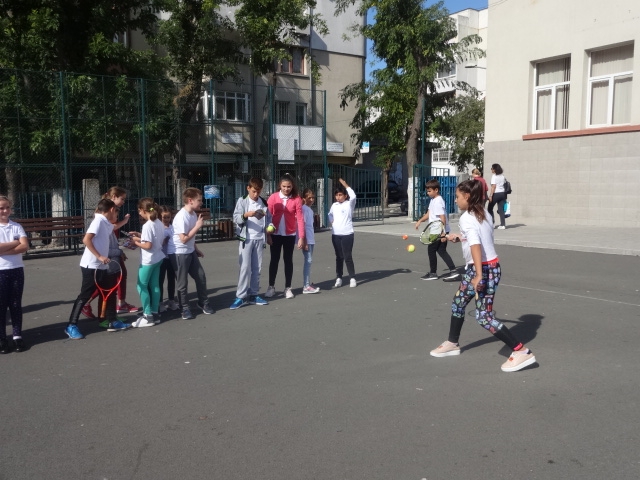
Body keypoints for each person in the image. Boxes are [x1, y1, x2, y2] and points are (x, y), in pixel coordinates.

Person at [429, 179, 537, 372]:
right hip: (483, 268)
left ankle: (521, 351)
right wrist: (459, 237)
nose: (455, 200)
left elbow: (476, 245)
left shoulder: (466, 218)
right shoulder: (484, 212)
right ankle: (452, 343)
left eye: (457, 197)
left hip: (484, 270)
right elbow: (478, 237)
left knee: (484, 317)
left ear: (467, 196)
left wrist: (479, 275)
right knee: (458, 303)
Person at [65, 199, 132, 339]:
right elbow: (86, 240)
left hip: (102, 266)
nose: (116, 216)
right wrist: (100, 256)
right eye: (116, 213)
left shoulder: (105, 222)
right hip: (91, 265)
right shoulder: (98, 221)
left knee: (110, 291)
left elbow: (114, 227)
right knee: (85, 295)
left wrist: (125, 221)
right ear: (112, 209)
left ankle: (111, 320)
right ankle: (71, 325)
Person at [81, 186, 138, 318]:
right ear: (113, 197)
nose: (123, 202)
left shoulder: (110, 214)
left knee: (115, 278)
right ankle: (95, 306)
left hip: (111, 250)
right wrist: (124, 221)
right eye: (122, 199)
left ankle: (116, 306)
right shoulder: (104, 216)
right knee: (109, 281)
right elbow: (110, 229)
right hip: (107, 253)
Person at [171, 187, 213, 319]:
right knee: (182, 283)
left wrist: (195, 249)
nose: (201, 203)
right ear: (190, 200)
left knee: (201, 276)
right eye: (199, 200)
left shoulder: (193, 214)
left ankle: (203, 302)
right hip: (179, 252)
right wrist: (197, 226)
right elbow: (183, 239)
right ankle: (184, 308)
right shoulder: (181, 216)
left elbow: (190, 237)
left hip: (190, 251)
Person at [230, 178, 271, 309]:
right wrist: (245, 215)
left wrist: (270, 228)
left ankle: (254, 294)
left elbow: (269, 220)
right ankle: (240, 296)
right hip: (246, 239)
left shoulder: (263, 202)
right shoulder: (242, 200)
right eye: (253, 191)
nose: (256, 194)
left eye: (258, 191)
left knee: (257, 268)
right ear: (248, 188)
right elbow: (235, 218)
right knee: (244, 268)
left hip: (259, 238)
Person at [265, 174, 305, 299]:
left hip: (289, 234)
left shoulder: (296, 199)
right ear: (280, 186)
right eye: (284, 186)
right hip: (275, 234)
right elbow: (268, 217)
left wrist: (301, 237)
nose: (286, 189)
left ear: (292, 186)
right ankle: (271, 287)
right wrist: (268, 235)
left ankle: (288, 288)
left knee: (288, 260)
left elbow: (300, 218)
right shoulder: (273, 197)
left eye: (289, 186)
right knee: (274, 260)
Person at [414, 179, 460, 282]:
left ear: (436, 190)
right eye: (427, 191)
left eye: (429, 191)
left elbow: (442, 218)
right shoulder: (433, 200)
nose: (428, 193)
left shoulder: (438, 201)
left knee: (431, 250)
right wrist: (420, 221)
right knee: (441, 251)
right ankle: (454, 271)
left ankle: (433, 273)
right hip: (436, 230)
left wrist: (443, 233)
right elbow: (428, 214)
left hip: (438, 231)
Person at [0, 195, 30, 353]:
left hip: (16, 269)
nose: (5, 211)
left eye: (7, 207)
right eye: (1, 208)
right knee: (1, 305)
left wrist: (5, 250)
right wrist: (15, 242)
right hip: (1, 270)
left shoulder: (16, 226)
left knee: (16, 304)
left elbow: (25, 246)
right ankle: (2, 338)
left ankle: (17, 336)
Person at [129, 198, 165, 327]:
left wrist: (135, 242)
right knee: (155, 285)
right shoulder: (159, 222)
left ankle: (147, 315)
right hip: (158, 257)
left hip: (148, 260)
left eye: (139, 211)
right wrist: (140, 236)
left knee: (141, 286)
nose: (139, 214)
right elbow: (154, 240)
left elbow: (148, 245)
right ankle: (154, 313)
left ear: (143, 210)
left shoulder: (147, 225)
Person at [329, 178, 357, 288]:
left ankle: (352, 277)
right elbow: (330, 214)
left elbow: (353, 196)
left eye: (340, 195)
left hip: (347, 234)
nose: (338, 197)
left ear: (345, 196)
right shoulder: (334, 205)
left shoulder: (349, 204)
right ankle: (339, 277)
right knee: (339, 257)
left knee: (347, 256)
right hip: (336, 235)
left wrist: (346, 185)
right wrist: (331, 221)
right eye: (336, 195)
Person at [158, 206, 178, 312]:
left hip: (171, 257)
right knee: (160, 280)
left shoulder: (172, 228)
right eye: (164, 217)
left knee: (171, 279)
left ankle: (171, 300)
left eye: (168, 217)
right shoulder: (158, 228)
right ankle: (160, 302)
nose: (166, 219)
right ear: (160, 217)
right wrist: (162, 242)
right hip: (161, 258)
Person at [487, 163, 507, 230]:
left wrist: (490, 195)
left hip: (496, 193)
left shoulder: (494, 176)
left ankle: (492, 223)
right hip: (502, 193)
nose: (491, 170)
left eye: (492, 168)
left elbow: (493, 186)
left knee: (490, 208)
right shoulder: (502, 176)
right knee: (501, 209)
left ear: (495, 169)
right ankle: (503, 225)